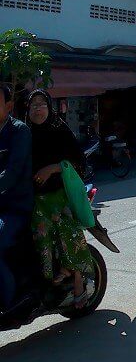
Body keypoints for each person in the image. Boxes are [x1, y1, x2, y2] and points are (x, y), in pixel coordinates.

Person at [26, 90, 91, 308]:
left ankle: (79, 282)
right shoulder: (25, 134)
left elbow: (78, 162)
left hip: (60, 195)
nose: (37, 109)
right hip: (35, 198)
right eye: (33, 105)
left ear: (49, 107)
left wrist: (51, 169)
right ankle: (47, 284)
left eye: (41, 104)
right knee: (39, 238)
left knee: (69, 233)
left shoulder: (60, 130)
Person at [0, 84, 33, 311]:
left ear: (9, 106)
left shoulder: (19, 131)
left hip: (16, 206)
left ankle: (9, 301)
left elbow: (12, 171)